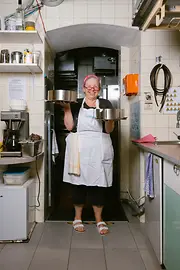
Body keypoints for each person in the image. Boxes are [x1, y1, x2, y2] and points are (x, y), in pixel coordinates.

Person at [62, 74, 114, 235]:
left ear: (99, 89)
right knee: (78, 183)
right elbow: (70, 127)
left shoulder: (105, 103)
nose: (92, 89)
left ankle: (99, 220)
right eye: (89, 86)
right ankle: (77, 217)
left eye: (95, 86)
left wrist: (112, 119)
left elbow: (108, 130)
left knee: (99, 185)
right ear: (83, 88)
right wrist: (66, 108)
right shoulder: (76, 104)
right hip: (80, 148)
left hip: (99, 148)